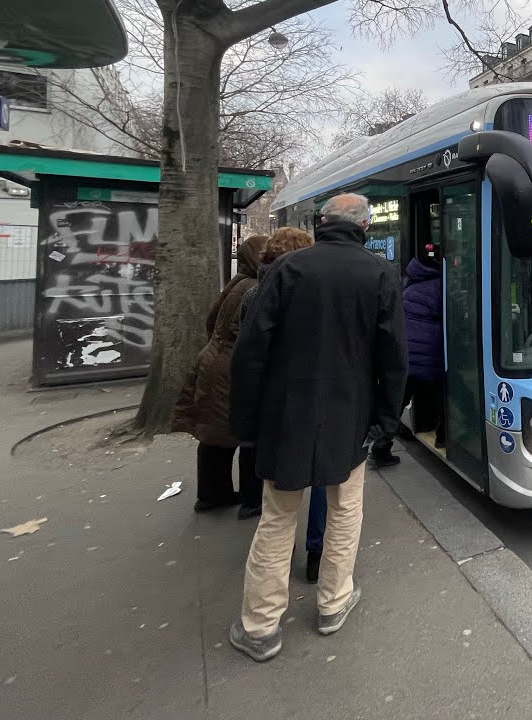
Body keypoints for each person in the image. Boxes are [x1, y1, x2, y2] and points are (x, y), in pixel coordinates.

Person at [228, 194, 407, 662]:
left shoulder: (286, 269)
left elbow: (250, 352)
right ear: (364, 226)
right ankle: (333, 602)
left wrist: (245, 422)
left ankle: (260, 627)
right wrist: (385, 420)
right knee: (345, 510)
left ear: (322, 222)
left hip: (285, 414)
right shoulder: (379, 273)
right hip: (350, 416)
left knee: (277, 518)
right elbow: (393, 358)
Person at [171, 234, 268, 515]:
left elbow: (211, 321)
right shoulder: (254, 287)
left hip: (215, 361)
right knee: (247, 435)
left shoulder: (238, 282)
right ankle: (250, 500)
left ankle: (213, 494)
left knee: (215, 434)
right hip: (231, 368)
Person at [235, 227, 315, 519]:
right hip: (293, 392)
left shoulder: (252, 292)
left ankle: (252, 500)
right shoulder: (301, 294)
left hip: (265, 392)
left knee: (261, 454)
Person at [402, 241, 445, 446]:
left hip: (408, 353)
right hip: (430, 354)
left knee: (399, 400)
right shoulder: (440, 285)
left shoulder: (409, 281)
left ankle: (380, 446)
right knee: (444, 395)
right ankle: (443, 437)